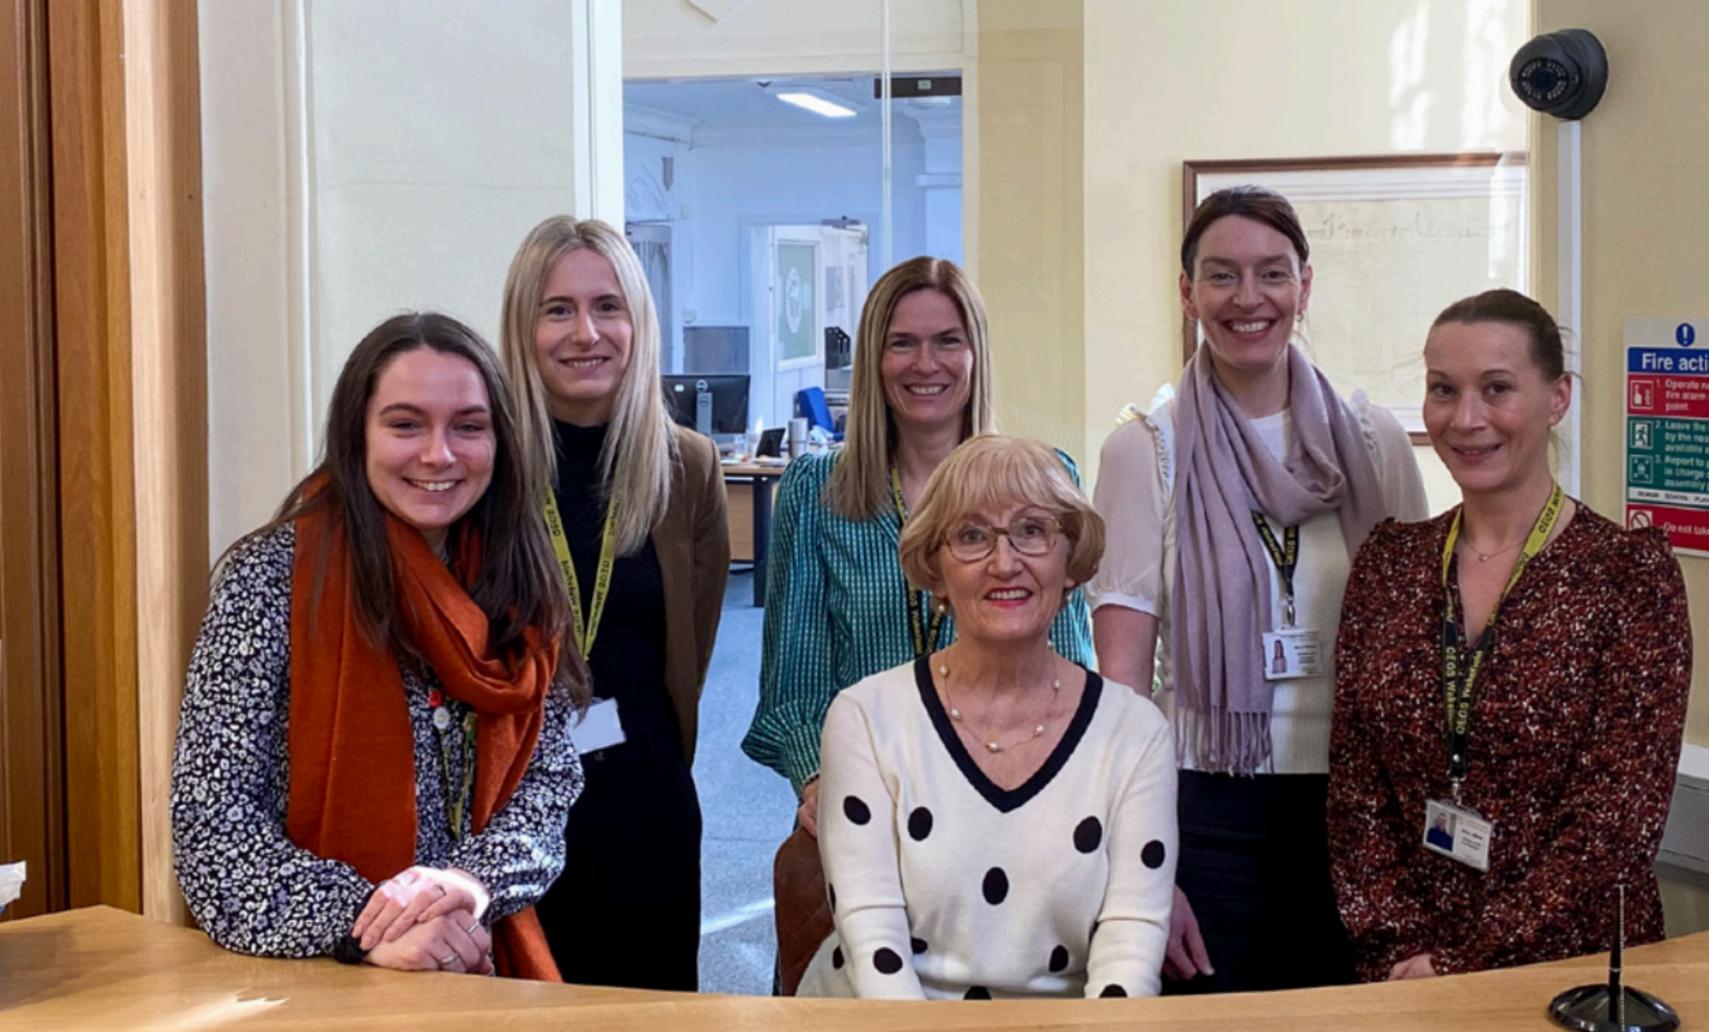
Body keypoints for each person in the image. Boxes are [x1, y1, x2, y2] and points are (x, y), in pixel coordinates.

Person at [171, 312, 586, 979]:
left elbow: (550, 779)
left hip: (478, 958)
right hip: (310, 978)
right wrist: (369, 924)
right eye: (405, 424)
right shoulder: (270, 579)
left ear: (500, 440)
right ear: (357, 432)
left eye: (468, 426)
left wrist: (467, 885)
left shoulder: (519, 577)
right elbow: (211, 821)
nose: (438, 454)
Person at [1090, 185, 1428, 994]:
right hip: (1203, 810)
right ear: (1188, 292)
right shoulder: (1145, 451)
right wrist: (1143, 872)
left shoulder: (1373, 442)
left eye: (1272, 273)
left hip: (1358, 809)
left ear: (1304, 287)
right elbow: (1123, 689)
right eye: (1222, 275)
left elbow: (1418, 641)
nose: (1249, 298)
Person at [1328, 288, 1691, 981]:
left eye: (1497, 389)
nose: (1466, 419)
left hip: (1572, 976)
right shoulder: (1389, 566)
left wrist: (1461, 965)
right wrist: (1398, 949)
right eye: (1443, 389)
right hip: (1404, 977)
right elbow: (1357, 789)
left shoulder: (1627, 577)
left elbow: (1616, 824)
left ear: (1558, 398)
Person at [796, 435, 1176, 999]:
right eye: (972, 536)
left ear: (1070, 559)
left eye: (1033, 530)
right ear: (935, 568)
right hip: (882, 1031)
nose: (1005, 562)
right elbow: (873, 944)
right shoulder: (864, 720)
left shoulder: (1136, 733)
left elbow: (1132, 943)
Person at [743, 257, 1095, 828]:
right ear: (874, 360)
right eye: (902, 343)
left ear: (975, 354)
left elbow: (1072, 661)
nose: (925, 364)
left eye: (947, 341)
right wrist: (821, 783)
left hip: (1016, 798)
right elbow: (794, 687)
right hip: (869, 800)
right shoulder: (816, 493)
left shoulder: (1044, 482)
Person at [499, 215, 729, 990]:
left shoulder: (686, 467)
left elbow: (690, 645)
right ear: (523, 325)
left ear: (638, 322)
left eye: (608, 307)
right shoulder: (485, 465)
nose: (585, 333)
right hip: (506, 812)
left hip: (646, 802)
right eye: (557, 310)